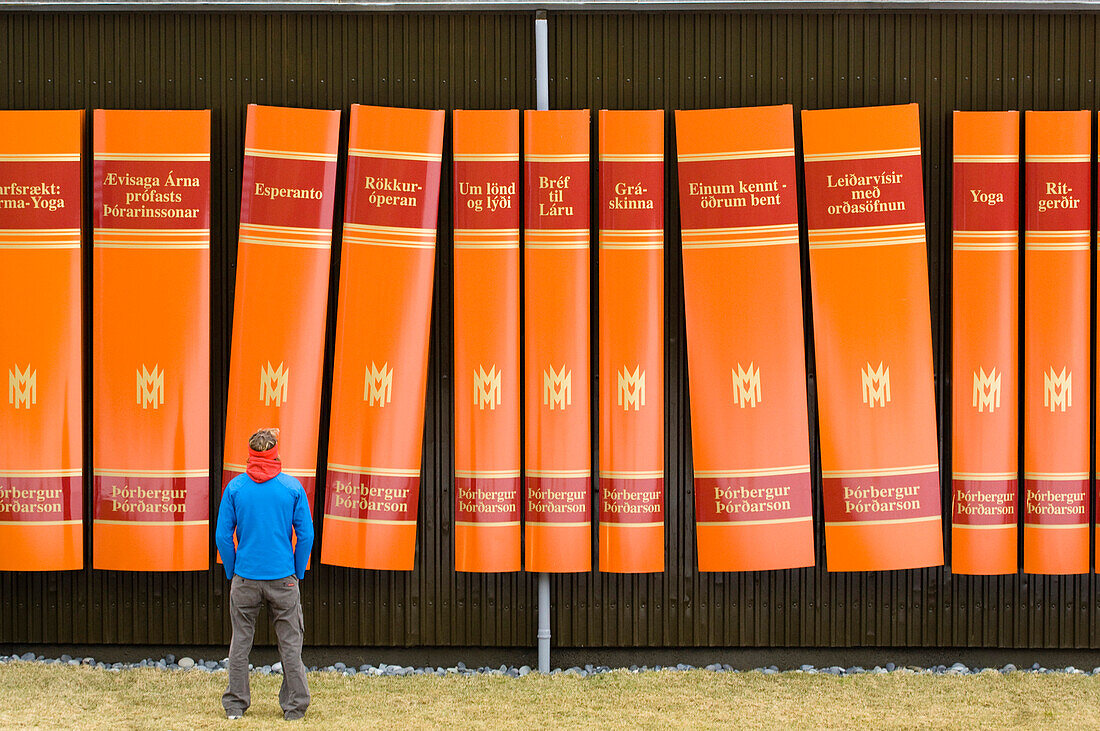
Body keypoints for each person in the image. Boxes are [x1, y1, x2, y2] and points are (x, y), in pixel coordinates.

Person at [215, 427, 315, 721]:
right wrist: (296, 571)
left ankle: (235, 706)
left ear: (250, 454)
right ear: (274, 453)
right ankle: (295, 708)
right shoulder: (292, 488)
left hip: (245, 577)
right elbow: (305, 536)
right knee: (290, 645)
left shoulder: (234, 488)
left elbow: (223, 537)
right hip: (283, 578)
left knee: (240, 643)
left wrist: (233, 570)